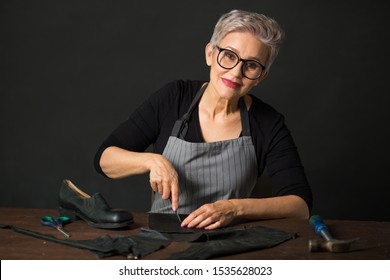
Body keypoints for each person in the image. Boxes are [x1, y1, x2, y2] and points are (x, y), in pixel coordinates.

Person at [94, 9, 313, 230]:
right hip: (163, 238)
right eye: (229, 55)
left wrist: (234, 209)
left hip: (229, 243)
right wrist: (152, 161)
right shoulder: (173, 98)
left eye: (252, 65)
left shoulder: (268, 123)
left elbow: (300, 206)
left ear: (261, 77)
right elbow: (104, 159)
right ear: (210, 54)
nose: (236, 72)